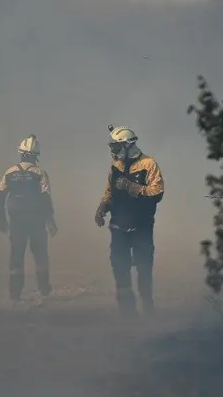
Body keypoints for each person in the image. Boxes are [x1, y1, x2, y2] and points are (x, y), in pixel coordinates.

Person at [95, 125, 164, 317]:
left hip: (141, 226)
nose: (113, 152)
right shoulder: (115, 166)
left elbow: (157, 193)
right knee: (119, 267)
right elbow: (109, 191)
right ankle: (127, 313)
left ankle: (148, 309)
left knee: (143, 269)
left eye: (116, 148)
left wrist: (132, 187)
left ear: (127, 145)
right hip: (118, 226)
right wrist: (102, 207)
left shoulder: (149, 164)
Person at [0, 134, 58, 303]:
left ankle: (15, 294)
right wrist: (50, 222)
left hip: (16, 222)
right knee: (41, 256)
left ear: (20, 153)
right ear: (36, 156)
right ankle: (43, 291)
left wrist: (2, 221)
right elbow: (45, 199)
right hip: (36, 221)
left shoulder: (9, 172)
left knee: (16, 256)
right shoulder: (40, 173)